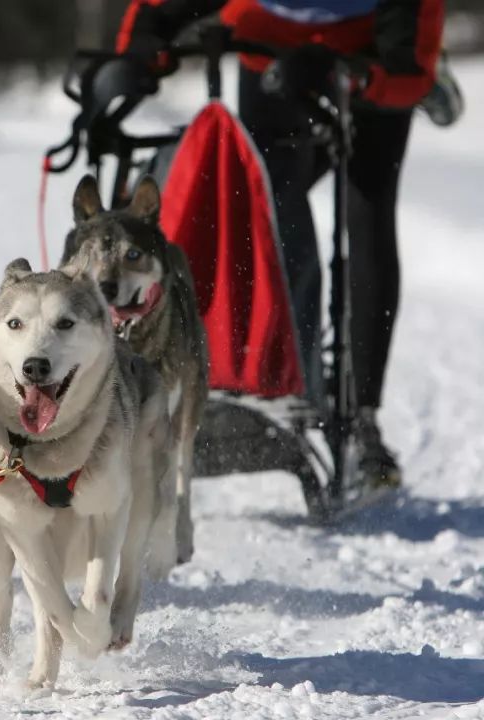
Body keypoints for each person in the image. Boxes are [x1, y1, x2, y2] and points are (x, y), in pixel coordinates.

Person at [115, 0, 453, 490]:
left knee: (367, 210)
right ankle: (292, 372)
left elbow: (408, 64)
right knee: (274, 210)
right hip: (268, 47)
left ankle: (361, 419)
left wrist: (363, 75)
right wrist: (137, 50)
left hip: (372, 47)